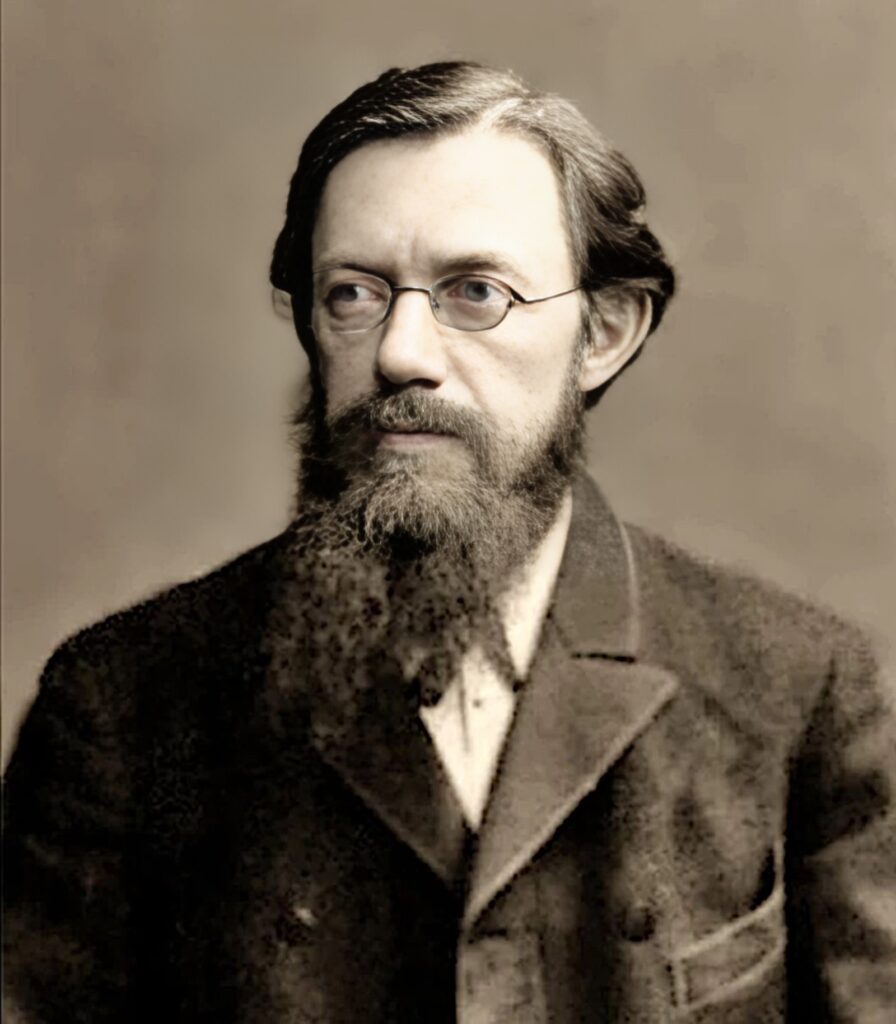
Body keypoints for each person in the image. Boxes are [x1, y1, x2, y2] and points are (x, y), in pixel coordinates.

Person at [3, 61, 894, 1024]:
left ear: (603, 332)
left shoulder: (799, 696)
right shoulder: (122, 703)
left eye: (475, 292)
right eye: (353, 294)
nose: (400, 353)